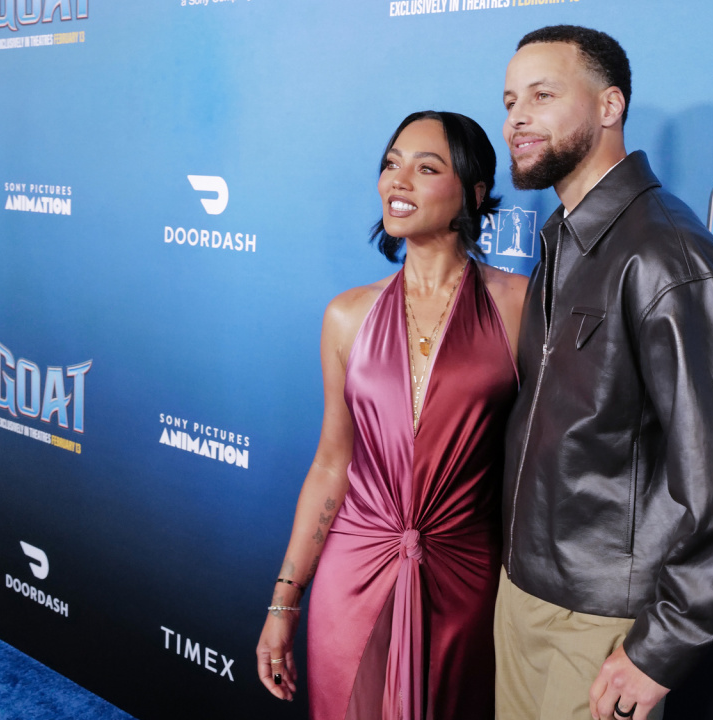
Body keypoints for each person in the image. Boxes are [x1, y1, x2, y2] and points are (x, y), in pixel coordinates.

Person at [494, 26, 713, 720]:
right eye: (509, 101)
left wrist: (664, 645)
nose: (517, 119)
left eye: (542, 95)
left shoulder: (665, 254)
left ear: (609, 106)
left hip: (602, 625)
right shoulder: (562, 238)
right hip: (522, 594)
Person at [256, 110, 527, 720]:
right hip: (352, 573)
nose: (397, 181)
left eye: (426, 168)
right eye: (390, 164)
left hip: (468, 575)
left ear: (474, 193)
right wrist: (283, 604)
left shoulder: (519, 305)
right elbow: (332, 465)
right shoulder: (347, 315)